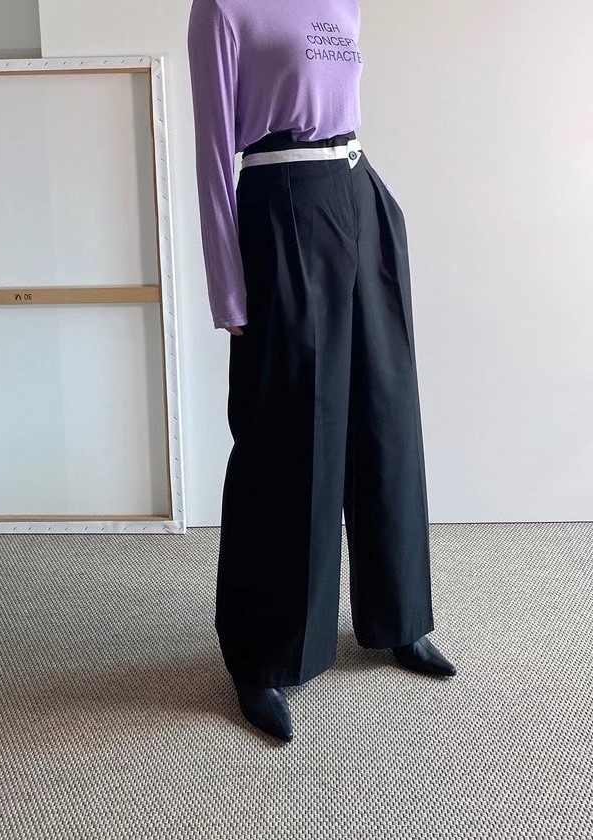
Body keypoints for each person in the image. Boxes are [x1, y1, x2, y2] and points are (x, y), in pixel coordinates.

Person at [187, 0, 456, 743]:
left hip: (358, 195)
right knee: (287, 435)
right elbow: (211, 151)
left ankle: (399, 617)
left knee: (385, 417)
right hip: (282, 208)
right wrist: (227, 287)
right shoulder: (222, 8)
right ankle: (264, 655)